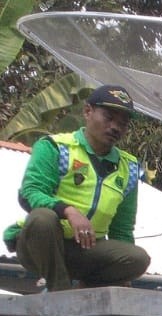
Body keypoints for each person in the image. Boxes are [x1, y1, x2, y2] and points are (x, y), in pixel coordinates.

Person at [3, 85, 152, 293]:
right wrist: (69, 211)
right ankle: (61, 294)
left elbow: (122, 229)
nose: (115, 127)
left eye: (122, 123)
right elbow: (30, 193)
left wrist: (123, 275)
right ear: (88, 111)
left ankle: (88, 288)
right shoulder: (55, 147)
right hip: (39, 244)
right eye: (109, 118)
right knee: (42, 218)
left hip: (85, 251)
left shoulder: (129, 168)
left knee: (137, 258)